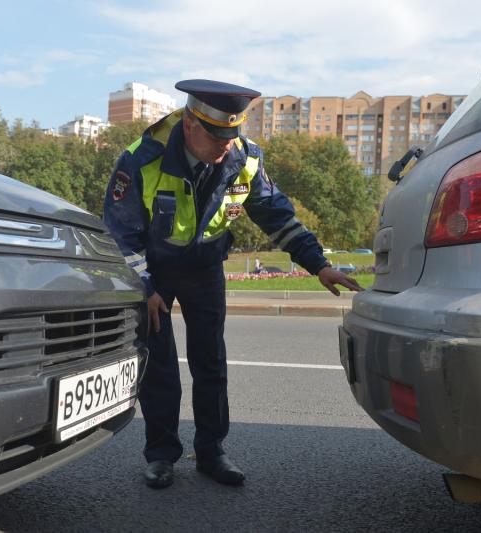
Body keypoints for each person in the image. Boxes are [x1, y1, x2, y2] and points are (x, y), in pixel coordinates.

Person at [103, 79, 362, 489]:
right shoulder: (142, 159)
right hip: (155, 272)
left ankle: (211, 452)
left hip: (205, 269)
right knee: (160, 367)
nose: (226, 143)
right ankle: (161, 455)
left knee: (211, 364)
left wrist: (319, 265)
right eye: (216, 134)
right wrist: (144, 286)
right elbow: (120, 232)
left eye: (232, 133)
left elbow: (276, 215)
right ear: (190, 125)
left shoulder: (243, 159)